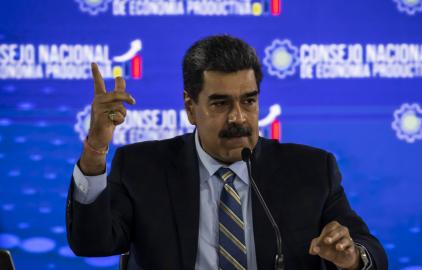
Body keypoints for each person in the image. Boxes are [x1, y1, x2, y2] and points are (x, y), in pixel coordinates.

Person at [66, 35, 388, 270]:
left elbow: (369, 250)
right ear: (191, 107)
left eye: (248, 101)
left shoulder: (311, 170)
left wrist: (351, 257)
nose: (238, 117)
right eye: (220, 103)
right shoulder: (143, 167)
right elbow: (91, 243)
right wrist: (95, 150)